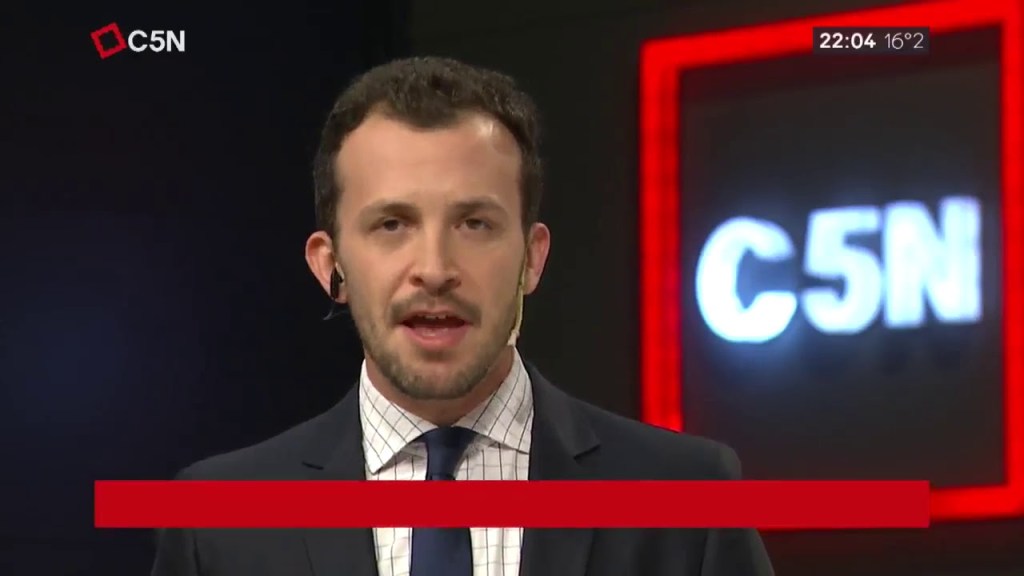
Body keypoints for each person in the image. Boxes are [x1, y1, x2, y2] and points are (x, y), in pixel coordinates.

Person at [151, 56, 774, 576]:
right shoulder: (216, 524)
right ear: (330, 265)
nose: (435, 268)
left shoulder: (688, 498)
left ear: (532, 258)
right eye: (391, 224)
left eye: (474, 224)